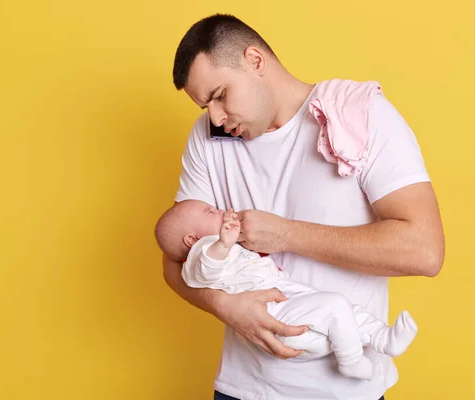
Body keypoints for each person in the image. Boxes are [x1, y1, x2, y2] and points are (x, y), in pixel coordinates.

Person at [162, 13, 445, 400]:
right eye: (204, 106)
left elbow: (425, 250)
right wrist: (223, 305)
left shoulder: (359, 116)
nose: (215, 116)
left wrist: (287, 234)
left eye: (220, 95)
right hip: (242, 389)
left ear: (255, 61)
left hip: (346, 391)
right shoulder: (207, 138)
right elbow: (176, 255)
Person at [155, 199, 419, 381]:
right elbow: (207, 269)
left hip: (285, 303)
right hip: (274, 314)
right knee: (335, 307)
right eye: (209, 212)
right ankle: (351, 360)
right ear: (192, 239)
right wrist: (223, 243)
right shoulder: (202, 254)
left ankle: (382, 338)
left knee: (345, 312)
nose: (218, 210)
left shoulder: (223, 246)